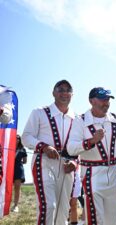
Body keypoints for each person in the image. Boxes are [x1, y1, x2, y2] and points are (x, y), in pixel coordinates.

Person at [67, 87, 116, 225]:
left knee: (113, 219)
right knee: (95, 220)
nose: (105, 103)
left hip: (113, 176)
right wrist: (91, 141)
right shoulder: (80, 121)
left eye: (107, 99)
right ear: (91, 101)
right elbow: (71, 148)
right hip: (92, 175)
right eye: (102, 99)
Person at [22, 80, 78, 225]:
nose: (64, 93)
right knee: (49, 206)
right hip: (44, 162)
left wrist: (75, 162)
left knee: (63, 210)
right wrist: (44, 147)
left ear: (72, 94)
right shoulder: (39, 112)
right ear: (53, 93)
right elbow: (26, 136)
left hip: (66, 167)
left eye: (68, 90)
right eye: (60, 89)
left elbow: (79, 146)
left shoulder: (77, 119)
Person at [12, 134, 27, 213]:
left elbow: (25, 161)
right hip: (9, 169)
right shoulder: (9, 147)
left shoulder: (22, 149)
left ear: (20, 140)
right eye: (15, 138)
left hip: (18, 169)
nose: (16, 139)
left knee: (17, 188)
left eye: (18, 138)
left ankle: (15, 205)